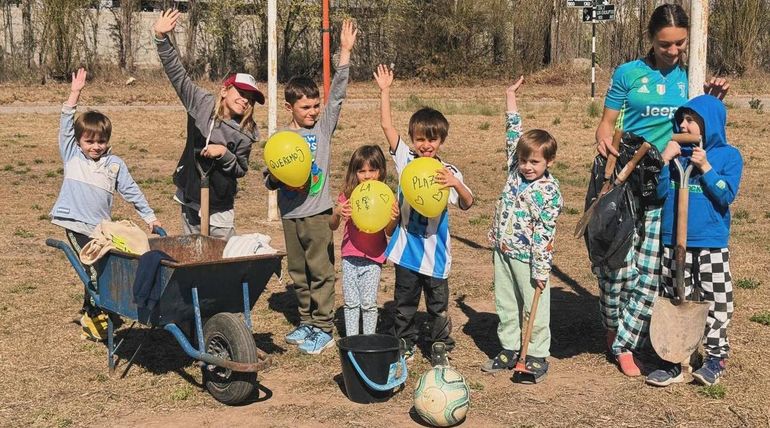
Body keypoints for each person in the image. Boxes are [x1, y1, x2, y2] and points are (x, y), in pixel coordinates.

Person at [592, 3, 728, 376]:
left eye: (679, 44)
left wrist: (712, 102)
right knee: (615, 270)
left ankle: (625, 344)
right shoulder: (628, 74)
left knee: (650, 271)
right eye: (665, 44)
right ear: (651, 40)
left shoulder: (691, 77)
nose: (672, 52)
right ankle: (612, 325)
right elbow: (605, 125)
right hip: (621, 182)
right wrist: (605, 142)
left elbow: (704, 129)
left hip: (663, 185)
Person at [265, 20, 357, 355]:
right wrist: (281, 178)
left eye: (316, 105)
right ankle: (306, 322)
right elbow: (268, 177)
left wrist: (344, 53)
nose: (313, 112)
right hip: (291, 214)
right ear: (289, 107)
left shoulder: (323, 129)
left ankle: (324, 326)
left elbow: (339, 95)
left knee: (321, 271)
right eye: (306, 107)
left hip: (318, 213)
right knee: (298, 272)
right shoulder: (279, 138)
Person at [50, 68, 161, 341]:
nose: (96, 146)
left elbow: (131, 191)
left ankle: (95, 309)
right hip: (74, 222)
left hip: (100, 228)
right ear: (78, 142)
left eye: (101, 141)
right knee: (93, 266)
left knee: (105, 267)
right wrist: (74, 93)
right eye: (89, 141)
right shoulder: (72, 156)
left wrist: (151, 217)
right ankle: (95, 314)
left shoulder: (114, 165)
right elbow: (66, 124)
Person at [373, 64, 474, 364]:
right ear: (412, 140)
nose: (425, 145)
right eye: (419, 139)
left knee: (437, 304)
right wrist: (385, 91)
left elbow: (468, 203)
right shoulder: (405, 161)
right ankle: (404, 341)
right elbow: (387, 128)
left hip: (436, 255)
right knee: (403, 303)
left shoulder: (448, 172)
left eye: (432, 139)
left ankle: (439, 344)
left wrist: (457, 184)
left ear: (441, 140)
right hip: (406, 251)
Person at [645, 94, 742, 387]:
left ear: (708, 124)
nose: (684, 125)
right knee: (677, 296)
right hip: (674, 240)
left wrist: (706, 168)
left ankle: (715, 356)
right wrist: (664, 159)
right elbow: (657, 193)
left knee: (717, 299)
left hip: (710, 241)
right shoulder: (676, 157)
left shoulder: (728, 156)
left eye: (691, 120)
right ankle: (675, 359)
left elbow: (726, 195)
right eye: (682, 120)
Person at [153, 9, 264, 239]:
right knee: (196, 259)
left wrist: (224, 153)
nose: (245, 100)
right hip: (192, 196)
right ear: (224, 90)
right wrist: (161, 39)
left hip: (221, 207)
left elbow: (241, 169)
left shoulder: (245, 132)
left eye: (251, 98)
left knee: (222, 262)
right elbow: (178, 76)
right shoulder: (201, 104)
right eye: (241, 93)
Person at [481, 77, 562, 383]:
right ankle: (510, 347)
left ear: (549, 161)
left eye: (535, 162)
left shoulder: (549, 192)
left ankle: (537, 353)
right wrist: (510, 97)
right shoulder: (515, 171)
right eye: (524, 160)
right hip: (502, 250)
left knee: (534, 306)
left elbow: (545, 234)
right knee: (505, 301)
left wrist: (541, 269)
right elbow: (513, 131)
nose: (528, 166)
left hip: (528, 259)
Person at [329, 145, 399, 337]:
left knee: (368, 303)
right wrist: (337, 212)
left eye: (372, 170)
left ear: (381, 171)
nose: (367, 176)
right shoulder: (348, 196)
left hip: (373, 257)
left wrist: (393, 217)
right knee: (351, 303)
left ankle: (368, 339)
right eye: (362, 171)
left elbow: (389, 231)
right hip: (350, 256)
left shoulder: (386, 196)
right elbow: (332, 225)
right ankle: (352, 340)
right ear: (355, 172)